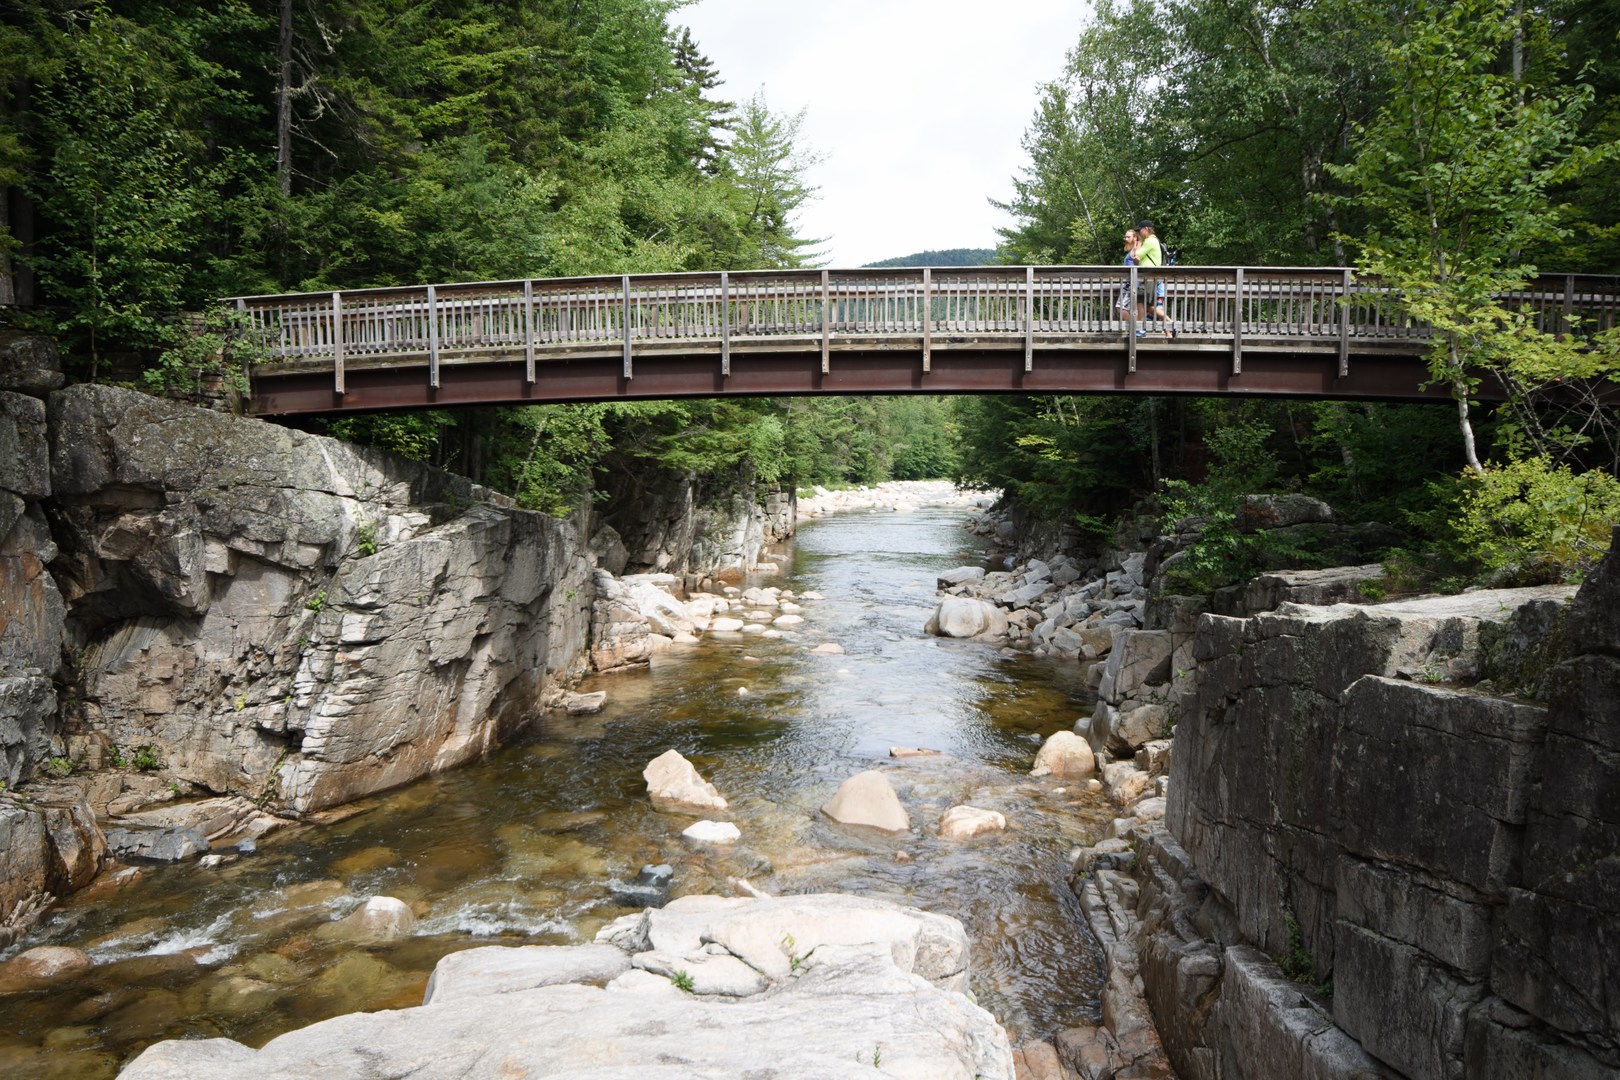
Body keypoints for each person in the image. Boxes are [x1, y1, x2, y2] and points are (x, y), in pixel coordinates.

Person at [1133, 219, 1176, 339]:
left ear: (1146, 229)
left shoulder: (1150, 241)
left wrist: (1139, 242)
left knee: (1140, 301)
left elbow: (1135, 255)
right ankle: (1171, 324)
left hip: (1149, 277)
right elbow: (1137, 260)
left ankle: (1141, 329)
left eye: (1139, 230)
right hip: (1150, 277)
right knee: (1149, 306)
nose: (1138, 233)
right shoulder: (1153, 241)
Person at [1115, 228, 1139, 323]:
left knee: (1120, 307)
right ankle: (1134, 329)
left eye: (1128, 237)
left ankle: (1133, 328)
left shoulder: (1136, 249)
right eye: (1125, 237)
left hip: (1131, 283)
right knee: (1131, 308)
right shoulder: (1132, 250)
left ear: (1135, 238)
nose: (1126, 239)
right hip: (1128, 283)